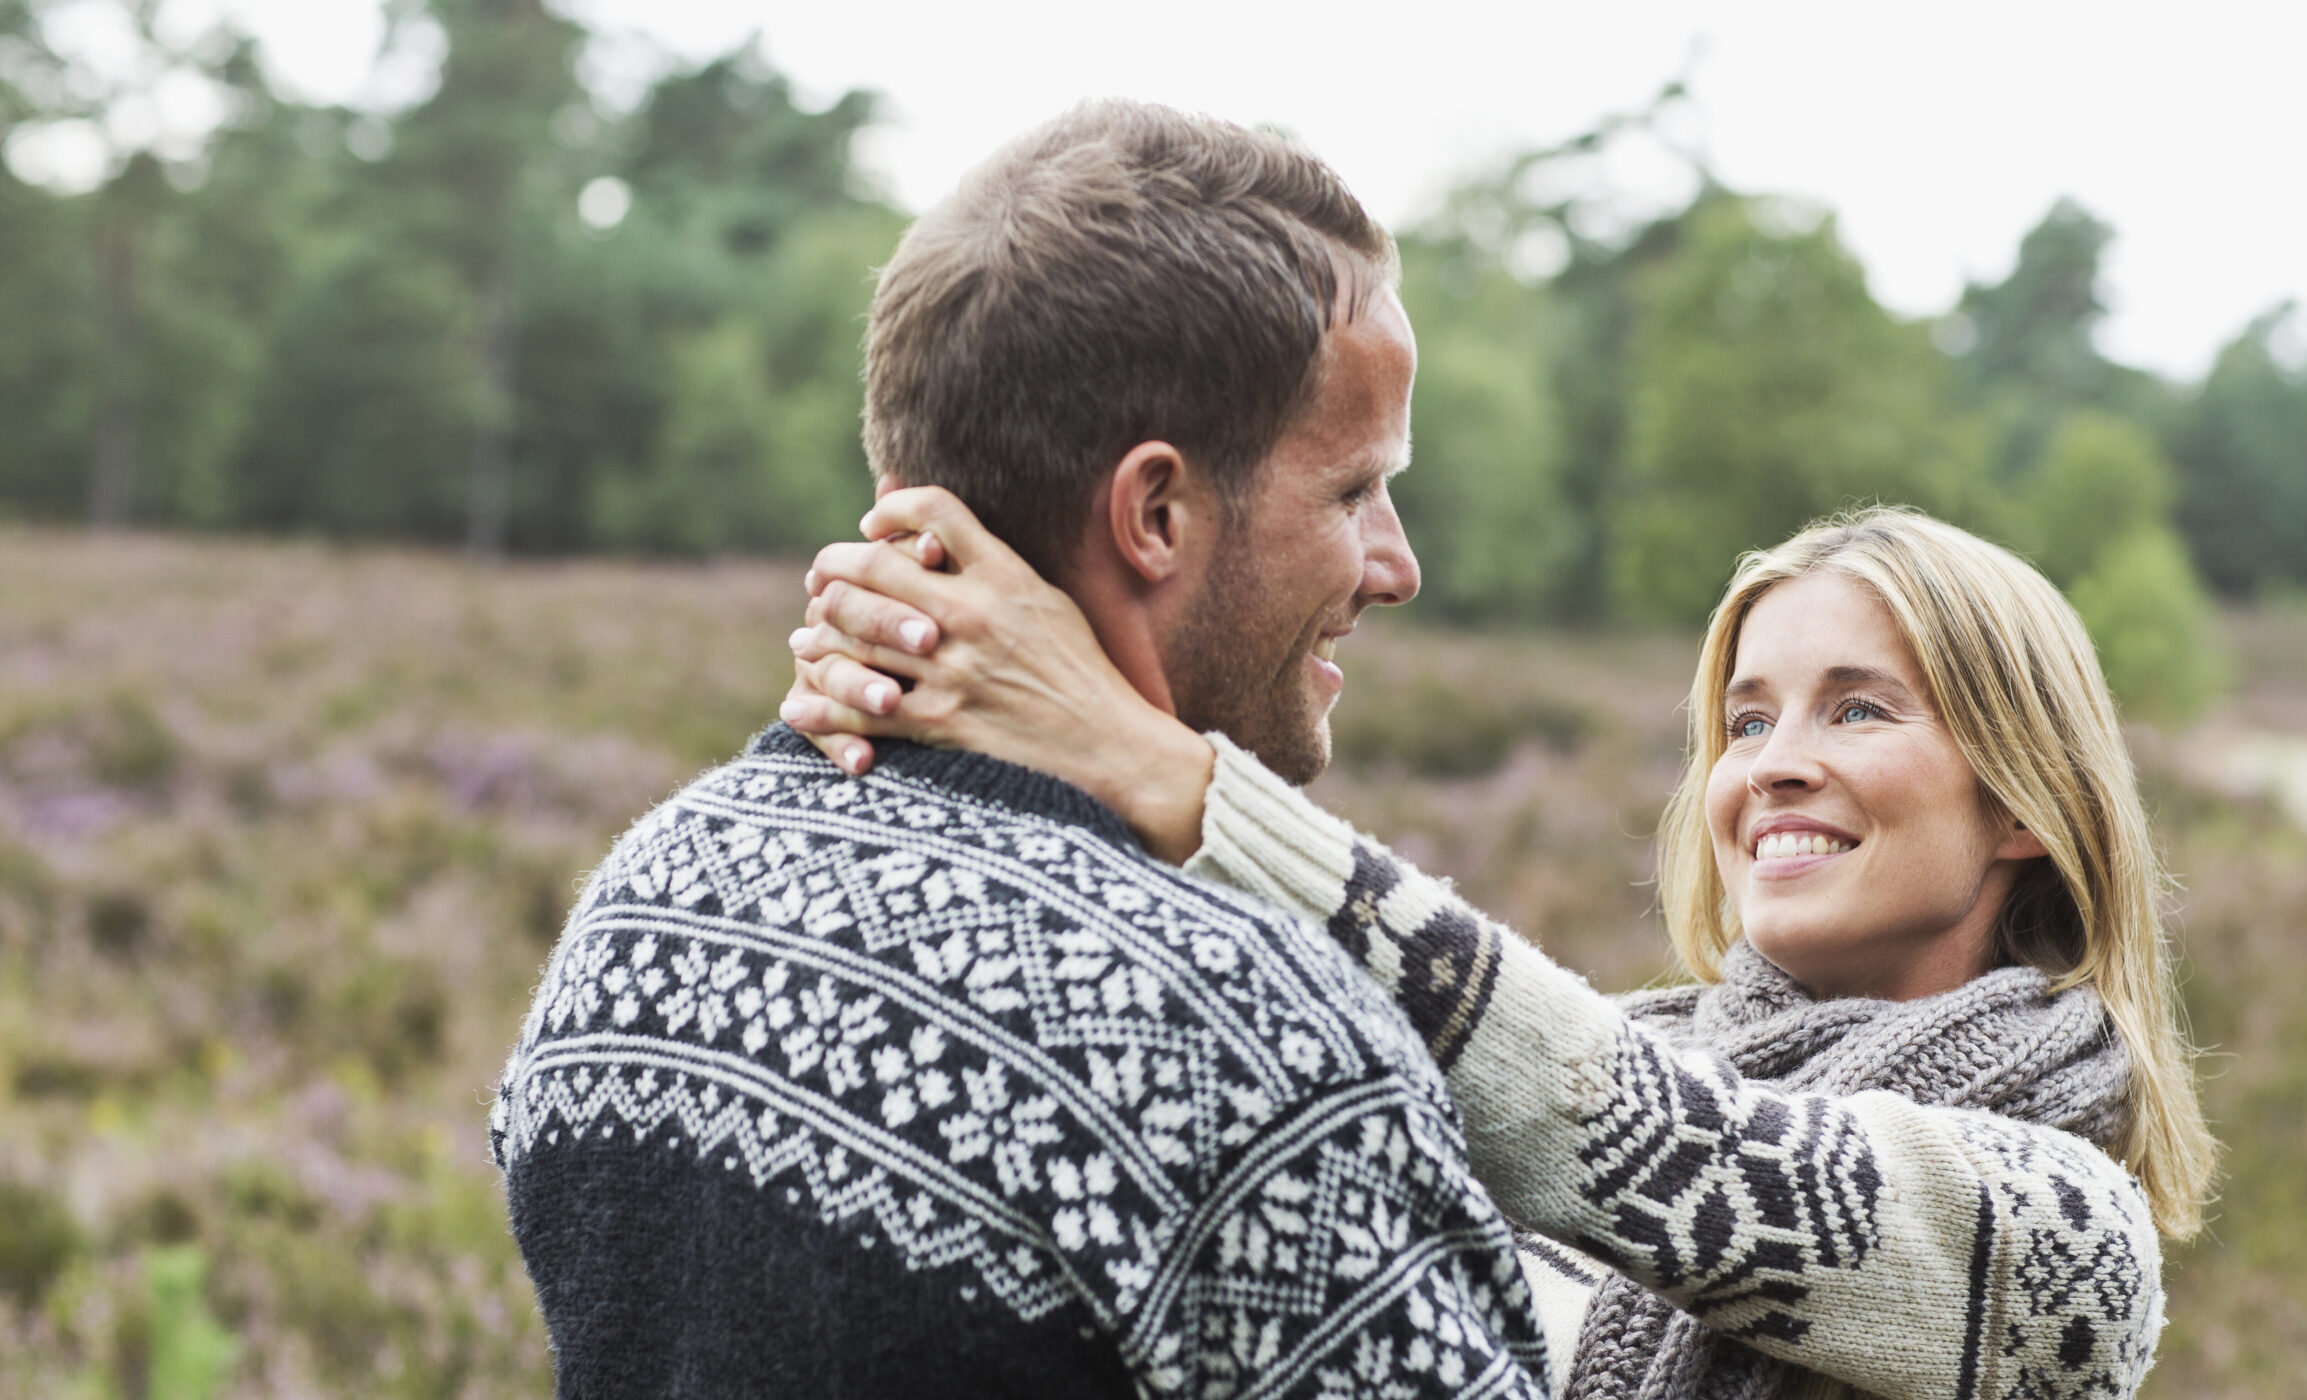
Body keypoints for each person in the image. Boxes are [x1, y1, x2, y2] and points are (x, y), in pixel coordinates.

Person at [489, 100, 1555, 1400]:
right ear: (1155, 511)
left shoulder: (638, 913)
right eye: (1352, 491)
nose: (1399, 566)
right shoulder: (1241, 1050)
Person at [780, 501, 2218, 1399]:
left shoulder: (2068, 1249)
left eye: (1858, 710)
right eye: (1748, 718)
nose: (1772, 766)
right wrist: (895, 747)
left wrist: (1168, 776)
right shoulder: (1583, 1073)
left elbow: (1654, 1144)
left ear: (2026, 801)